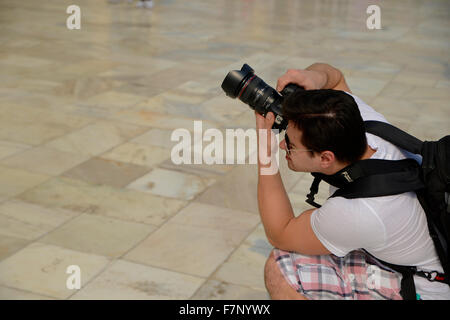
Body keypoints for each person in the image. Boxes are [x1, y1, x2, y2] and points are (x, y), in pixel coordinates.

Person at [256, 62, 450, 300]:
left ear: (326, 158)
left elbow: (280, 232)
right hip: (420, 244)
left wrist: (264, 148)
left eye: (291, 143)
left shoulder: (357, 211)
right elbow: (335, 79)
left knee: (282, 268)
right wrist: (314, 77)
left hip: (428, 286)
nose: (284, 144)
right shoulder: (363, 125)